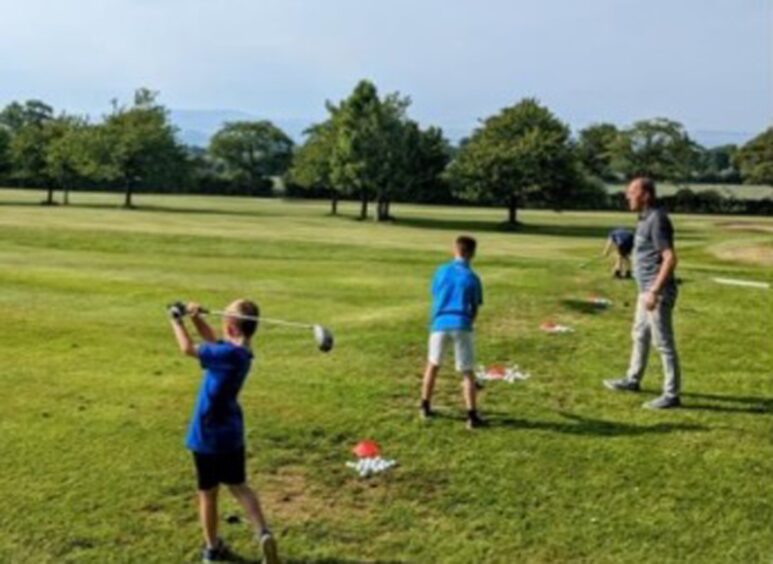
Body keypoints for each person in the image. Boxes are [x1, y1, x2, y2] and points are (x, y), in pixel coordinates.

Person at [168, 299, 279, 563]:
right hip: (231, 435)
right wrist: (195, 318)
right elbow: (214, 341)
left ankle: (212, 548)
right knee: (239, 486)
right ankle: (263, 533)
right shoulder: (240, 353)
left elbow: (187, 348)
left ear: (230, 328)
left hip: (207, 435)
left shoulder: (225, 355)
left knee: (208, 492)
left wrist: (175, 319)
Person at [603, 178, 682, 409]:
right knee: (639, 335)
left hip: (656, 292)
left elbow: (670, 258)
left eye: (632, 192)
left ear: (646, 195)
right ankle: (632, 379)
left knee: (663, 343)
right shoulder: (644, 218)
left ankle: (671, 394)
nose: (627, 196)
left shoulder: (657, 219)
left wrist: (654, 291)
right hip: (644, 291)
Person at [420, 236, 485, 429]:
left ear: (454, 250)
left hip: (439, 323)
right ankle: (472, 416)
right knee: (467, 372)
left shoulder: (441, 271)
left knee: (433, 365)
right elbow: (474, 307)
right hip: (462, 323)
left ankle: (425, 406)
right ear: (473, 254)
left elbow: (436, 294)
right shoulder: (472, 278)